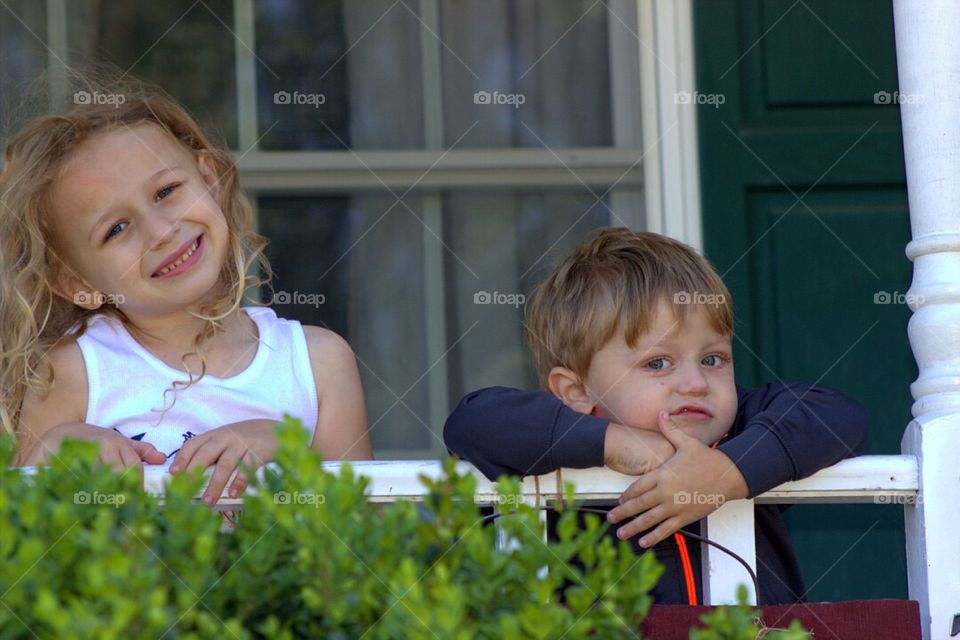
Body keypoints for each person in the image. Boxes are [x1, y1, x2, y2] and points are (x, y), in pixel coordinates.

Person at [1, 76, 373, 505]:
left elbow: (365, 534)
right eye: (116, 229)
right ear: (77, 283)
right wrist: (53, 453)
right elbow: (21, 531)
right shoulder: (71, 371)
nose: (161, 231)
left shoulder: (318, 364)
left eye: (166, 191)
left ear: (210, 179)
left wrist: (294, 451)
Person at [444, 227, 868, 604]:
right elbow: (473, 423)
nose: (696, 383)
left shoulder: (742, 429)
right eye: (658, 363)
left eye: (713, 359)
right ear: (576, 392)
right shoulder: (555, 449)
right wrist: (614, 445)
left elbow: (838, 415)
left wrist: (726, 471)